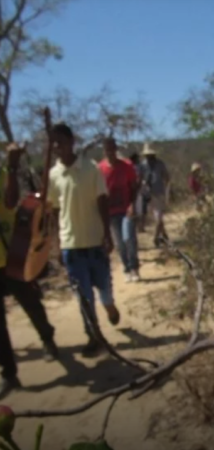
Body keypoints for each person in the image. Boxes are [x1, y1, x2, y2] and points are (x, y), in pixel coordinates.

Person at [48, 123, 120, 357]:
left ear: (72, 142)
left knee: (104, 291)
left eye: (61, 141)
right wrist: (58, 244)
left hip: (95, 242)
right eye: (54, 142)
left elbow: (102, 202)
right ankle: (94, 336)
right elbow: (56, 211)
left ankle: (109, 307)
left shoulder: (91, 169)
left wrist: (107, 235)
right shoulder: (53, 175)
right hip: (72, 246)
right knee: (83, 296)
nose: (58, 147)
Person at [0, 143, 59, 397]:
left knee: (31, 302)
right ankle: (10, 373)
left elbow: (11, 200)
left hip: (12, 257)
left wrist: (11, 166)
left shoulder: (4, 173)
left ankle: (47, 337)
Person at [98, 138, 140, 282]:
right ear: (104, 151)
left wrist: (132, 204)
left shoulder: (126, 166)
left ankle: (135, 267)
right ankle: (127, 268)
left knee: (129, 237)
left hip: (126, 208)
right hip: (110, 212)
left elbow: (134, 187)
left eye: (112, 149)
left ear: (116, 149)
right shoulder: (100, 169)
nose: (110, 152)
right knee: (119, 243)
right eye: (107, 150)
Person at [140, 143, 170, 247]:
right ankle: (164, 236)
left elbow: (166, 177)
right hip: (149, 195)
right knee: (157, 217)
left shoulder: (160, 164)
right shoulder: (143, 165)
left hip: (159, 193)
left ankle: (156, 238)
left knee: (159, 217)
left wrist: (165, 189)